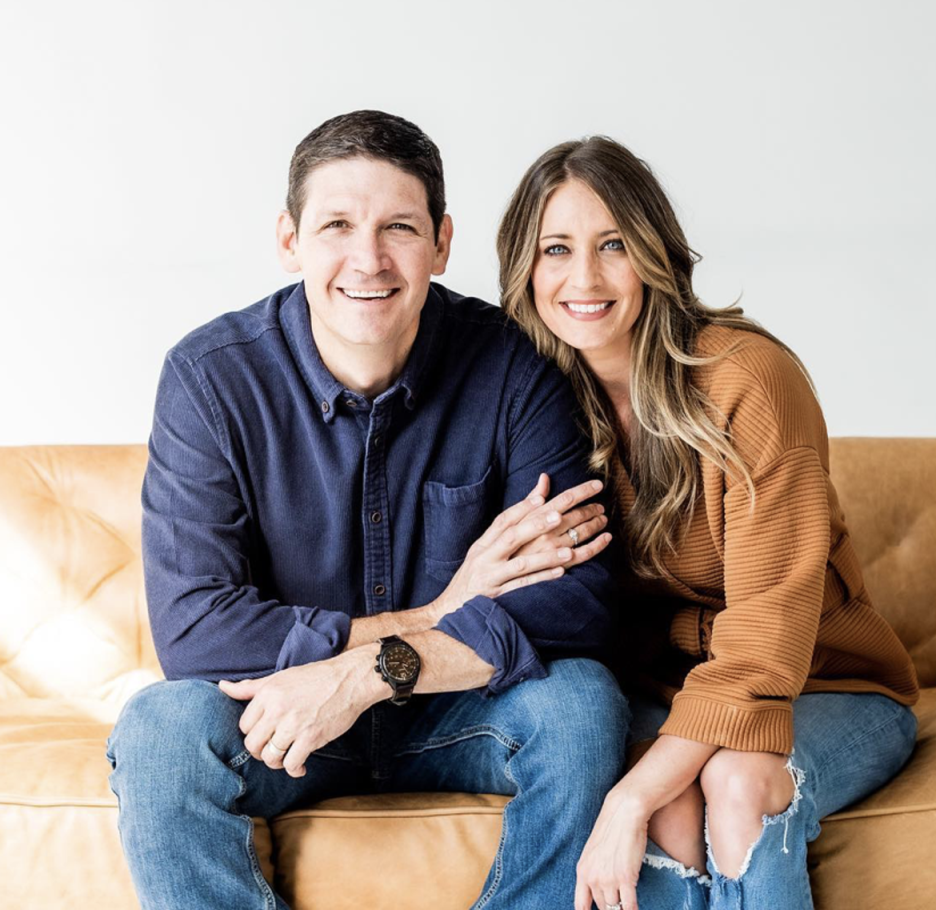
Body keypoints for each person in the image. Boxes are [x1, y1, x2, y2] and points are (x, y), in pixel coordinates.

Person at [105, 110, 631, 910]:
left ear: (442, 242)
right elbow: (195, 630)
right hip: (287, 725)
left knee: (583, 704)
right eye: (338, 226)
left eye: (399, 228)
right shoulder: (211, 380)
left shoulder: (513, 365)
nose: (368, 259)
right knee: (160, 732)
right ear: (290, 240)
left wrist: (367, 673)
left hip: (458, 708)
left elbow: (576, 603)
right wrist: (443, 611)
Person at [497, 136, 920, 910]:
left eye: (613, 244)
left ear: (655, 254)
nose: (583, 278)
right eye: (556, 248)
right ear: (525, 269)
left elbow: (765, 645)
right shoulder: (535, 405)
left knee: (734, 781)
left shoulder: (747, 379)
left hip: (824, 686)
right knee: (669, 803)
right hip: (666, 693)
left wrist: (627, 798)